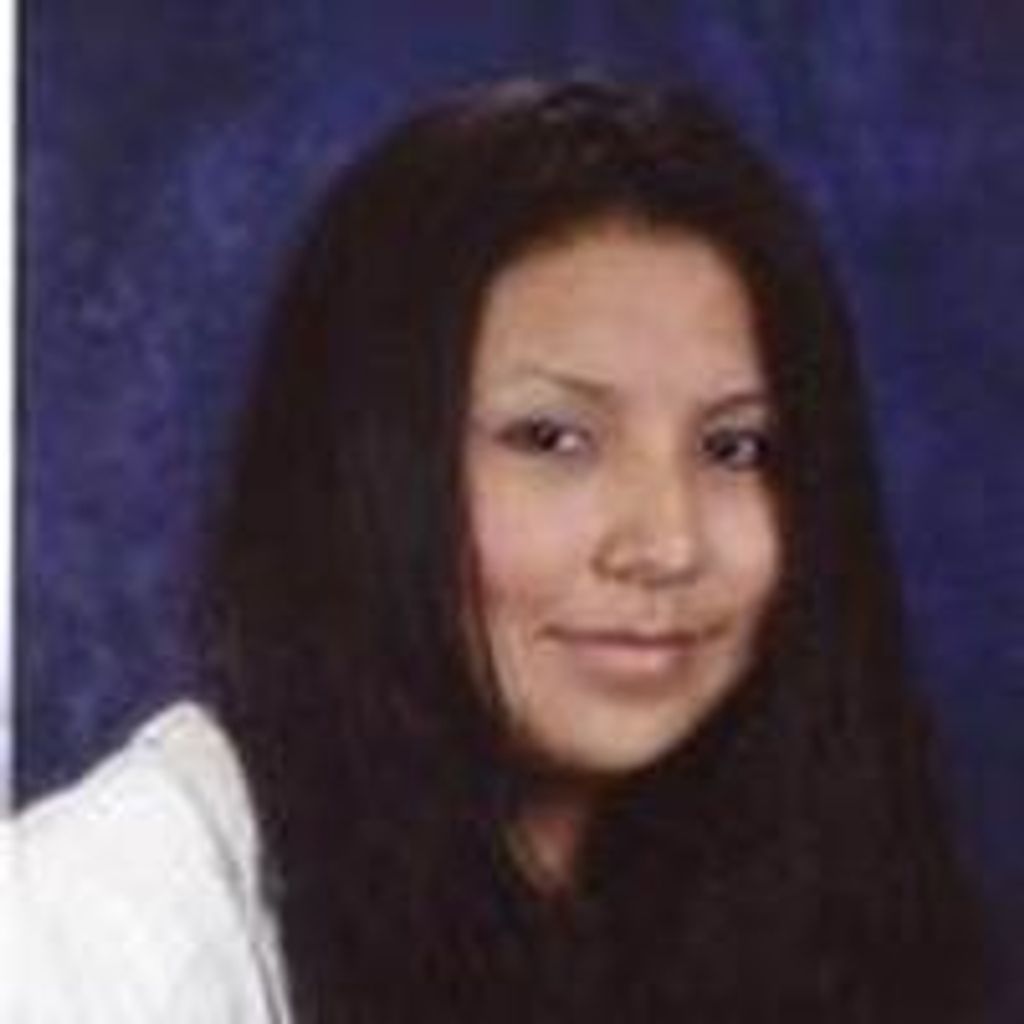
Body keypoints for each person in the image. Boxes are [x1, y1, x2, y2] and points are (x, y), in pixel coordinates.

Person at [13, 77, 986, 1023]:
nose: (667, 543)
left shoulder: (786, 905)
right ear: (362, 470)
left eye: (735, 447)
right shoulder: (88, 938)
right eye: (553, 438)